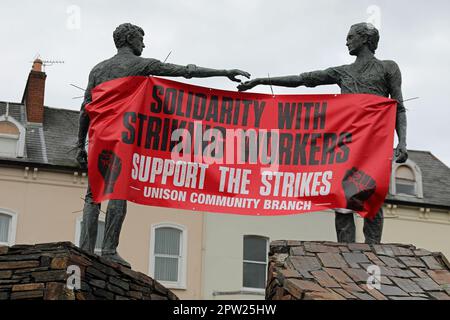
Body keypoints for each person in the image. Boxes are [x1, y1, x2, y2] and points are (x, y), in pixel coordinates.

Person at [76, 23, 250, 267]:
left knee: (93, 194)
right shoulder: (140, 64)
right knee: (117, 191)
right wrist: (223, 72)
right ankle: (108, 250)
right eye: (140, 39)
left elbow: (85, 108)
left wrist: (79, 143)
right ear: (129, 38)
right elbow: (185, 71)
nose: (143, 44)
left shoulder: (98, 69)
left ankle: (85, 249)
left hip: (98, 136)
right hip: (122, 135)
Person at [238, 22, 408, 244]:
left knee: (372, 195)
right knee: (342, 197)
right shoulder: (342, 72)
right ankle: (344, 252)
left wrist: (402, 141)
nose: (346, 41)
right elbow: (303, 79)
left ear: (364, 39)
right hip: (346, 144)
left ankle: (373, 250)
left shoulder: (388, 68)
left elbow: (399, 107)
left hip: (375, 144)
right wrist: (263, 80)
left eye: (350, 37)